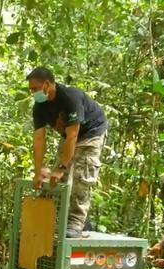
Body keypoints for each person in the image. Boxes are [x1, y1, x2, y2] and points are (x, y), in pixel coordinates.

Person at [27, 67, 108, 238]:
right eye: (31, 90)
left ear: (47, 84)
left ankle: (76, 221)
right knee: (57, 180)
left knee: (81, 176)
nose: (33, 93)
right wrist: (37, 171)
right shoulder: (39, 107)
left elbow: (73, 135)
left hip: (91, 133)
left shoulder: (70, 98)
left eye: (35, 89)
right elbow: (39, 139)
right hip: (69, 134)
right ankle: (54, 219)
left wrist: (62, 166)